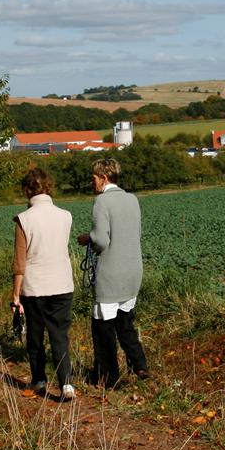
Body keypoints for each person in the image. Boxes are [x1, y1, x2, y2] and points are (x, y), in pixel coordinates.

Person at [77, 158, 148, 388]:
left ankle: (108, 378)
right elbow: (135, 234)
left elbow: (101, 241)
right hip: (133, 271)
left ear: (104, 178)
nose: (93, 182)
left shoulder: (101, 202)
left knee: (103, 328)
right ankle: (139, 365)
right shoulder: (132, 199)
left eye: (94, 178)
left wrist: (87, 238)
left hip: (111, 274)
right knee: (125, 322)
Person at [11, 168, 75, 400]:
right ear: (49, 188)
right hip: (63, 284)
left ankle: (39, 380)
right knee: (59, 335)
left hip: (35, 287)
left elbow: (20, 262)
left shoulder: (23, 219)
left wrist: (15, 295)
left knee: (35, 336)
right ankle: (67, 384)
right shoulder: (66, 215)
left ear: (27, 190)